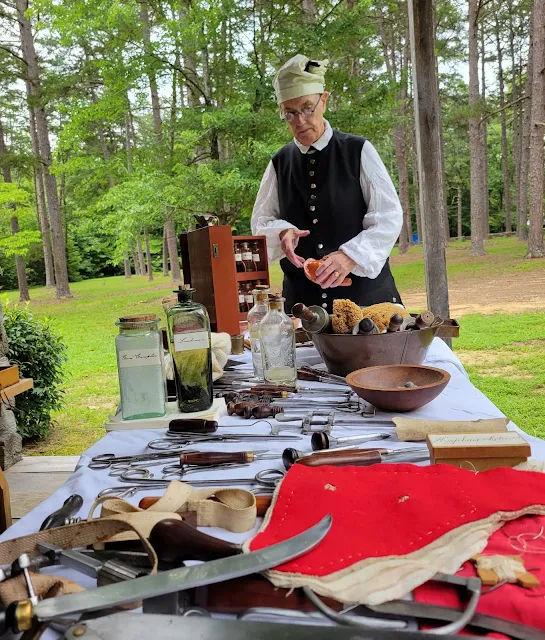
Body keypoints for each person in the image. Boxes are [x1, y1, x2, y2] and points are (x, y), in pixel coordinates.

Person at [251, 54, 404, 314]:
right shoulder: (279, 163)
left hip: (367, 303)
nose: (299, 120)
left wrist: (350, 256)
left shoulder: (358, 150)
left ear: (324, 100)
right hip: (302, 308)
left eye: (307, 108)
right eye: (289, 113)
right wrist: (282, 232)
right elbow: (260, 223)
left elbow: (388, 216)